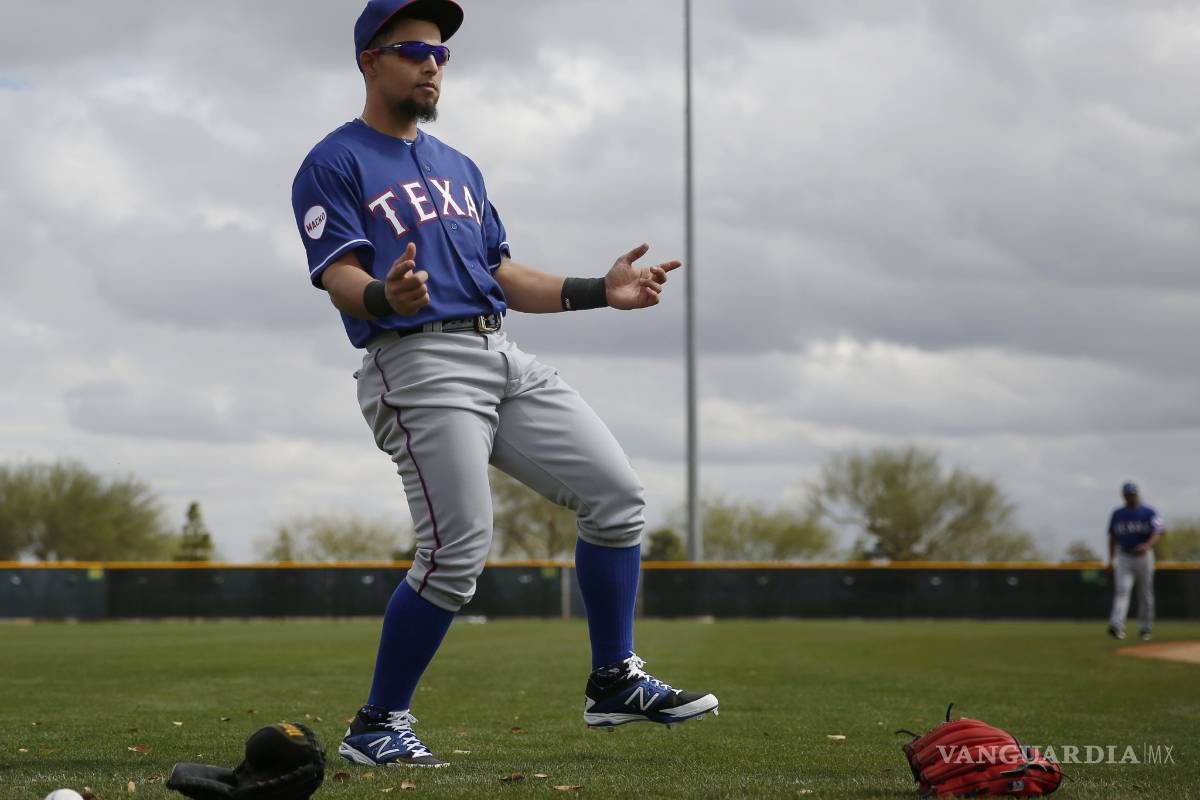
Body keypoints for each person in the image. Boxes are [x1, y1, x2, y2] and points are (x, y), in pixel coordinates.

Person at [290, 0, 718, 768]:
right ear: (369, 60)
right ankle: (376, 725)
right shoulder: (335, 160)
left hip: (501, 354)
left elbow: (501, 274)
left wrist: (601, 290)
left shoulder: (459, 166)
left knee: (618, 497)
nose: (432, 64)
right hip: (417, 363)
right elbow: (340, 275)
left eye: (441, 54)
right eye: (413, 50)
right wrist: (386, 295)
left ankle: (613, 681)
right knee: (456, 552)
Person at [1106, 481, 1163, 642]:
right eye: (1128, 494)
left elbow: (1157, 532)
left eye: (1132, 494)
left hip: (1144, 556)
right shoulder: (1117, 514)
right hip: (1124, 556)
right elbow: (1112, 537)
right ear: (1124, 496)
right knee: (1122, 590)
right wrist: (1111, 559)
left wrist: (1147, 545)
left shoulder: (1149, 512)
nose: (1130, 497)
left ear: (1137, 494)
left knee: (1145, 593)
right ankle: (1117, 625)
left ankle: (1145, 628)